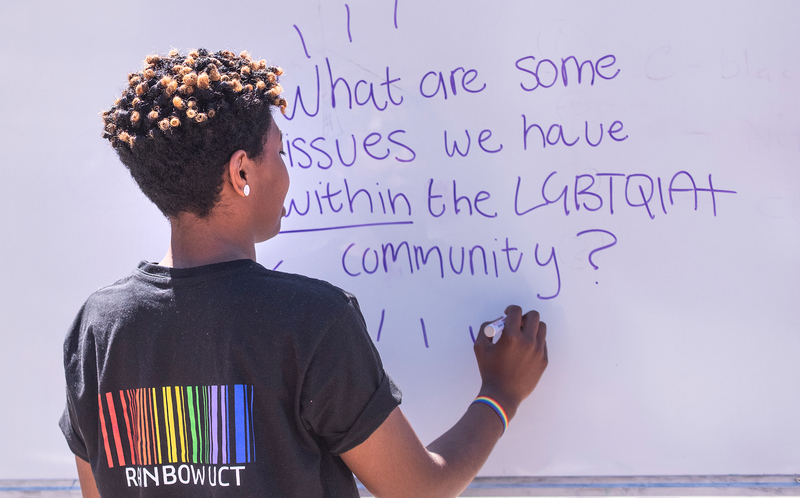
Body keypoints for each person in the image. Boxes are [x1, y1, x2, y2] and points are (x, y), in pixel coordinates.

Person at [59, 48, 548, 498]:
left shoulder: (98, 327)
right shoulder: (311, 320)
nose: (288, 171)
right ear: (242, 173)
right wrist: (501, 394)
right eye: (280, 152)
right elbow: (418, 487)